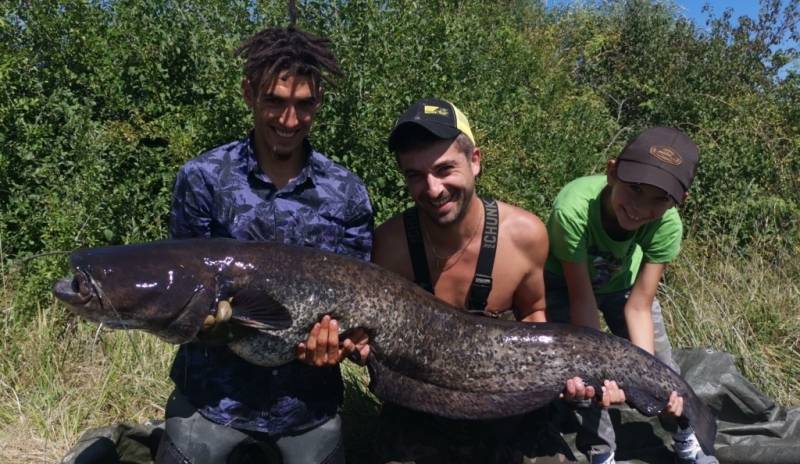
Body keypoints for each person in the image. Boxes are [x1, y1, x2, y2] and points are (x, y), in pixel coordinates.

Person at [156, 26, 373, 464]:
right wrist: (208, 322)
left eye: (303, 104)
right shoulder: (203, 179)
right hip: (211, 402)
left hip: (307, 409)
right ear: (248, 93)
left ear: (319, 101)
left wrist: (340, 345)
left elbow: (357, 304)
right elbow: (180, 298)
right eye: (274, 100)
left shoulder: (347, 193)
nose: (289, 121)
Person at [369, 98, 627, 464]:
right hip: (422, 410)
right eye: (415, 175)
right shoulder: (390, 246)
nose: (433, 188)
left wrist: (563, 373)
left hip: (510, 407)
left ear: (475, 160)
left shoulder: (524, 235)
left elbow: (535, 313)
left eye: (445, 169)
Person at [544, 127, 714, 464]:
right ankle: (601, 451)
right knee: (587, 377)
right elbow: (581, 300)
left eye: (659, 199)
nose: (640, 208)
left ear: (678, 202)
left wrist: (643, 377)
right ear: (612, 171)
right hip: (565, 286)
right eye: (635, 188)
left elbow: (639, 306)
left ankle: (686, 433)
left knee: (664, 371)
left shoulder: (667, 225)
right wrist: (609, 372)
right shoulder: (573, 208)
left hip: (624, 287)